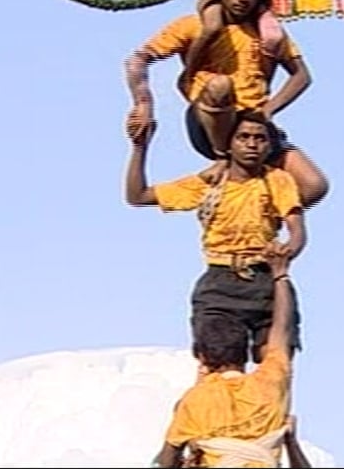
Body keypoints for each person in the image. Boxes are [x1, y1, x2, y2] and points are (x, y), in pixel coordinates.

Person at [124, 0, 329, 210]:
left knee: (314, 185)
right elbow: (137, 60)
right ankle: (224, 156)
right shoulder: (193, 25)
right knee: (221, 85)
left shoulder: (267, 33)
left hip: (253, 121)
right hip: (212, 119)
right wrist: (143, 104)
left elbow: (302, 75)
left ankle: (253, 216)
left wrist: (268, 110)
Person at [125, 109, 306, 367]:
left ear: (269, 146)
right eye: (243, 137)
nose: (252, 144)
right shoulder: (210, 183)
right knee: (219, 364)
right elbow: (138, 196)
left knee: (276, 363)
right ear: (228, 146)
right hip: (221, 281)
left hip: (265, 278)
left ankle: (273, 408)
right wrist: (139, 147)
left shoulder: (277, 180)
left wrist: (288, 250)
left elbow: (296, 227)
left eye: (260, 138)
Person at [149, 242, 307, 468]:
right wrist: (280, 275)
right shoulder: (270, 383)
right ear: (246, 353)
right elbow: (282, 328)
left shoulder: (195, 401)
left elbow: (166, 462)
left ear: (200, 355)